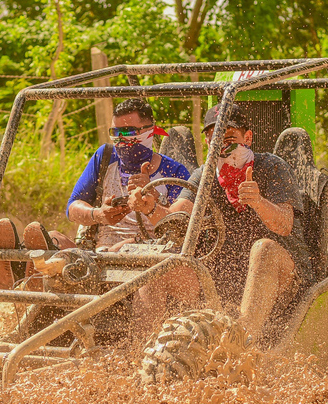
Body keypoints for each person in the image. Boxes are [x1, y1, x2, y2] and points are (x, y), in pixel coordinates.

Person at [128, 102, 313, 338]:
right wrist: (150, 207)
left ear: (247, 137)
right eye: (214, 138)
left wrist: (258, 201)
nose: (222, 145)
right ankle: (138, 356)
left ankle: (241, 346)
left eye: (229, 137)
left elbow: (285, 225)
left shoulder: (272, 167)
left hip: (282, 280)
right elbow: (177, 219)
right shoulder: (203, 176)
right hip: (216, 281)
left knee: (263, 248)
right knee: (158, 266)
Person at [0, 98, 191, 291]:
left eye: (128, 132)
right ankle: (24, 272)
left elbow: (182, 227)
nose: (121, 139)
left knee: (119, 248)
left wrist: (154, 198)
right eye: (115, 132)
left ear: (149, 131)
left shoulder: (174, 172)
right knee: (52, 237)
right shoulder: (105, 157)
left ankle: (31, 274)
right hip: (97, 255)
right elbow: (72, 208)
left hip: (146, 256)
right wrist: (98, 214)